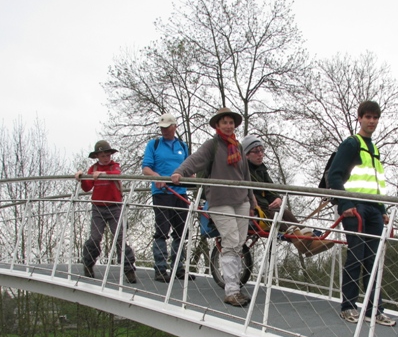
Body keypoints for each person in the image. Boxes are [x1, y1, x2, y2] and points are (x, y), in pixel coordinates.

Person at [171, 108, 257, 307]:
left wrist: (251, 201)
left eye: (231, 123)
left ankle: (234, 286)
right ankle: (232, 291)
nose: (228, 126)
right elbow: (196, 159)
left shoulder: (238, 148)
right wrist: (180, 172)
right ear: (217, 126)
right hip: (220, 200)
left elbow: (246, 176)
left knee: (239, 243)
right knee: (231, 240)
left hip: (241, 200)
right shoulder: (213, 146)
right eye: (224, 122)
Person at [327, 101, 395, 326]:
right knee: (356, 256)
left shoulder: (374, 148)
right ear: (360, 118)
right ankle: (348, 306)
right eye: (368, 117)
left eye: (375, 118)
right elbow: (334, 176)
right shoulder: (351, 143)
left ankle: (374, 309)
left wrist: (383, 209)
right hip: (355, 207)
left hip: (373, 209)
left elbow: (377, 183)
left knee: (372, 261)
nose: (372, 121)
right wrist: (345, 205)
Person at [242, 134, 335, 256]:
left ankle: (309, 239)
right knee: (277, 217)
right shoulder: (244, 170)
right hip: (256, 210)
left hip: (267, 207)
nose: (260, 154)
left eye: (262, 150)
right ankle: (304, 245)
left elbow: (271, 189)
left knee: (284, 211)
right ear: (247, 154)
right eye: (256, 151)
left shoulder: (261, 170)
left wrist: (277, 198)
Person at [75, 140, 137, 284]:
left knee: (120, 238)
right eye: (102, 155)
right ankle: (88, 263)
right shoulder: (93, 169)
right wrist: (81, 177)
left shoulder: (114, 166)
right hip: (98, 208)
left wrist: (102, 173)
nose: (105, 158)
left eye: (107, 155)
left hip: (115, 207)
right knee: (95, 238)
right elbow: (86, 187)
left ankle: (129, 269)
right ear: (97, 156)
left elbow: (116, 174)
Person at [142, 113, 194, 282]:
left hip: (180, 192)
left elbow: (188, 167)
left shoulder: (182, 146)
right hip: (162, 193)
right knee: (162, 230)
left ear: (174, 127)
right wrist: (157, 177)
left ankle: (178, 268)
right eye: (162, 128)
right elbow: (146, 168)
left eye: (167, 127)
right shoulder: (154, 144)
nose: (164, 131)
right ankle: (160, 268)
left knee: (181, 232)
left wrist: (193, 178)